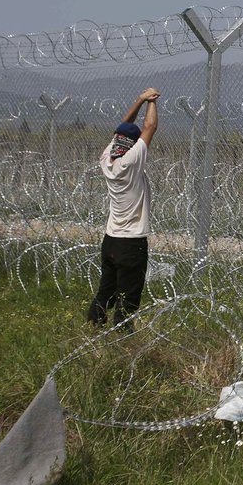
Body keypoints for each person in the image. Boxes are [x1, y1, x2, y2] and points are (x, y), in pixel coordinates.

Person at [87, 88, 160, 329]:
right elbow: (149, 128)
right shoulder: (130, 162)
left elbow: (122, 127)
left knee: (105, 291)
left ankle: (92, 328)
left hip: (111, 240)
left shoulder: (108, 159)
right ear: (131, 144)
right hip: (131, 243)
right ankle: (124, 338)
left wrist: (139, 99)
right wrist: (152, 101)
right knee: (128, 299)